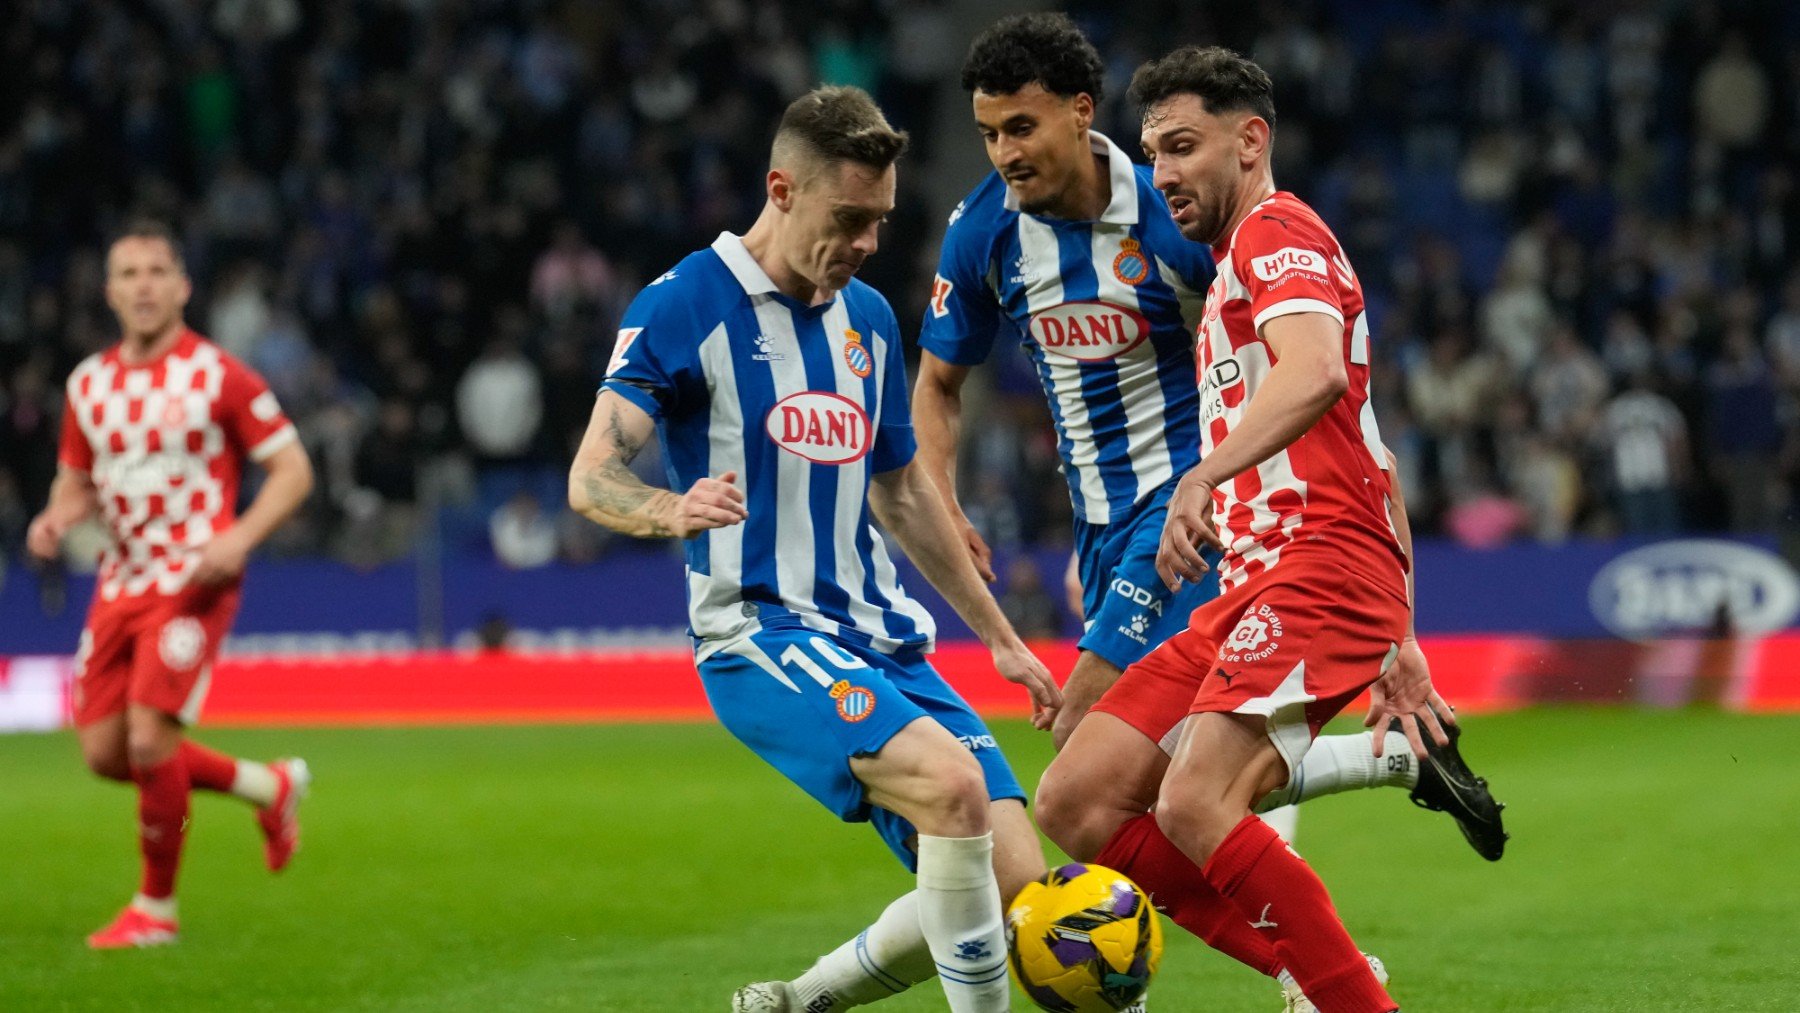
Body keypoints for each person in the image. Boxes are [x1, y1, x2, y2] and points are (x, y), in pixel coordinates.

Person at [916, 12, 1498, 904]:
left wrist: (1226, 479)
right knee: (1159, 777)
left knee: (1085, 762)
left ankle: (1284, 970)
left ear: (1080, 113)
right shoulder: (985, 232)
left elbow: (1284, 352)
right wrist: (945, 496)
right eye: (988, 134)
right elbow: (940, 384)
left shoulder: (1174, 208)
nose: (1004, 153)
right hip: (1103, 527)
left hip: (1193, 513)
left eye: (1021, 128)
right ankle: (1386, 764)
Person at [568, 87, 1061, 1013]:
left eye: (880, 220)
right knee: (953, 787)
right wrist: (668, 508)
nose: (868, 242)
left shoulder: (868, 317)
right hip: (758, 632)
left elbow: (905, 491)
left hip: (883, 639)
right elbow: (591, 474)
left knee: (1017, 891)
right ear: (781, 189)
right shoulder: (685, 304)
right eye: (850, 219)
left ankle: (800, 1001)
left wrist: (1000, 638)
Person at [1033, 47, 1507, 1012]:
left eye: (1182, 146)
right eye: (1152, 154)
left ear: (1250, 141)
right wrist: (1404, 636)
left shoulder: (1274, 232)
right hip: (1267, 581)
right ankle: (1317, 971)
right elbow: (1371, 449)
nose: (1161, 173)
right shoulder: (1228, 277)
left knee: (1196, 800)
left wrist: (1199, 475)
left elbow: (1318, 370)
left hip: (1314, 570)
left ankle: (1349, 1000)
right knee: (1077, 796)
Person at [26, 221, 316, 949]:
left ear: (183, 287)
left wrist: (239, 538)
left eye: (158, 270)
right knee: (105, 752)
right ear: (110, 292)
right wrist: (55, 519)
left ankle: (156, 910)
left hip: (193, 579)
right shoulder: (87, 385)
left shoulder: (219, 374)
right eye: (129, 273)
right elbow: (76, 481)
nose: (144, 284)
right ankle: (268, 787)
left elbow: (293, 471)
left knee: (151, 737)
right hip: (119, 581)